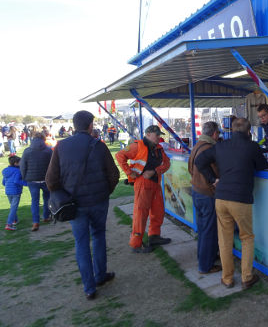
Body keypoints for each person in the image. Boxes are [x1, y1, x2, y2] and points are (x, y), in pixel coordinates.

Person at [46, 111, 120, 300]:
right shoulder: (99, 146)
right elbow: (114, 175)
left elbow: (51, 180)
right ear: (90, 125)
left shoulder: (61, 147)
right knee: (98, 237)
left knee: (82, 243)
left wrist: (64, 194)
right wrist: (105, 193)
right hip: (96, 202)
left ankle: (90, 287)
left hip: (75, 203)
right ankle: (100, 276)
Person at [195, 118, 268, 289]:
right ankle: (246, 277)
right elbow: (263, 166)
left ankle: (227, 278)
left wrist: (212, 179)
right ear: (249, 131)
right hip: (240, 198)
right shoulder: (252, 147)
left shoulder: (220, 146)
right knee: (247, 238)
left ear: (231, 130)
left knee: (224, 240)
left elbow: (200, 161)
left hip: (221, 198)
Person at [115, 125, 171, 253]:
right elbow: (119, 155)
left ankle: (154, 236)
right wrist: (129, 173)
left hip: (155, 184)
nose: (159, 137)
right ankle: (136, 244)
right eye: (157, 135)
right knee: (140, 215)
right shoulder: (137, 146)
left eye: (159, 135)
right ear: (148, 133)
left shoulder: (159, 148)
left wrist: (155, 171)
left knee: (158, 212)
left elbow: (167, 163)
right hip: (143, 184)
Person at [188, 121, 221, 275]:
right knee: (209, 229)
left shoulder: (197, 145)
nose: (219, 136)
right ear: (214, 134)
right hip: (207, 193)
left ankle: (203, 258)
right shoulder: (209, 148)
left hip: (196, 191)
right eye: (218, 133)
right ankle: (205, 266)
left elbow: (190, 167)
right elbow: (216, 171)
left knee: (203, 228)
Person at [20, 132, 53, 231]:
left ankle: (36, 222)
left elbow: (23, 166)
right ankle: (46, 216)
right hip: (45, 179)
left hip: (32, 180)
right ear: (44, 139)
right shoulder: (48, 150)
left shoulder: (27, 151)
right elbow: (52, 166)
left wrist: (24, 177)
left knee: (35, 201)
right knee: (47, 198)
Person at [2, 155, 26, 231]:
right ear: (16, 163)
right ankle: (9, 224)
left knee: (13, 207)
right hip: (15, 192)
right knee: (13, 208)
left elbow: (3, 183)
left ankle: (15, 220)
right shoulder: (18, 171)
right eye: (20, 162)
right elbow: (16, 181)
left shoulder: (6, 171)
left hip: (8, 192)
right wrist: (27, 183)